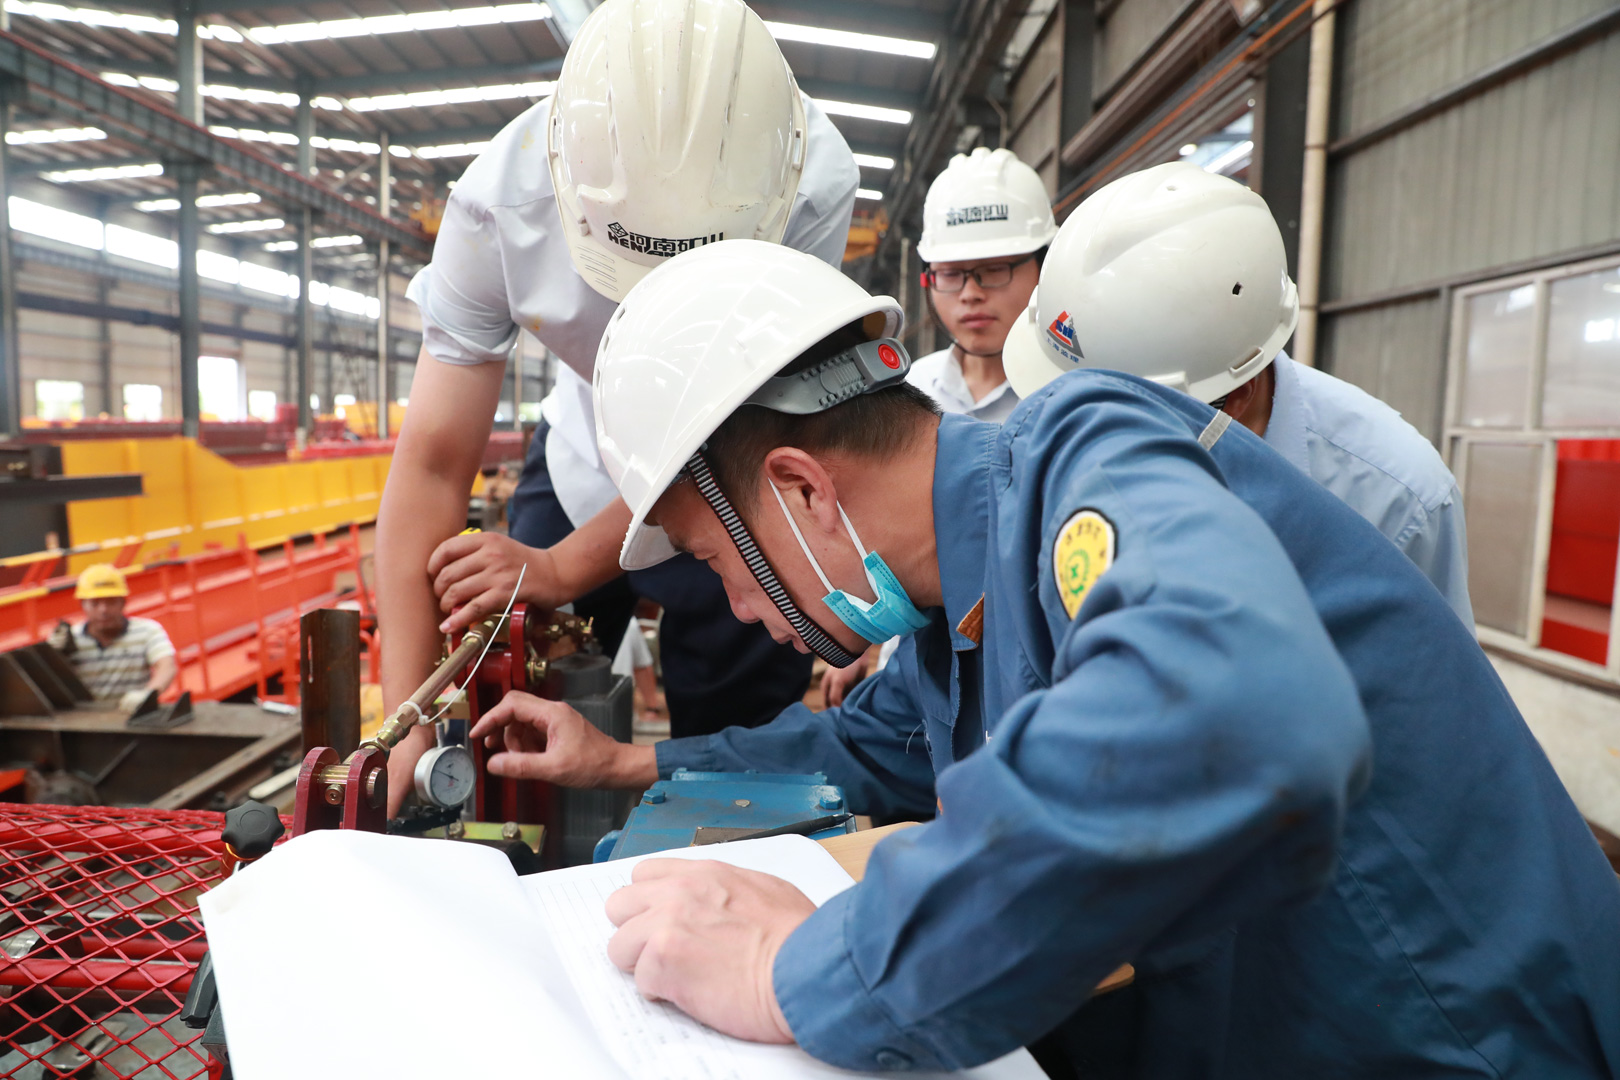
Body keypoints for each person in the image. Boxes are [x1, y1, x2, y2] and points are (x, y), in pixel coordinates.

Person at [464, 240, 1620, 1078]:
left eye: (722, 563)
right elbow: (863, 747)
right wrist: (626, 764)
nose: (742, 614)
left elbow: (1230, 712)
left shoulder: (1084, 450)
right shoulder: (951, 600)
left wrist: (798, 970)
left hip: (1452, 1037)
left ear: (805, 491)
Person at [376, 0, 859, 813]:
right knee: (506, 688)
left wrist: (562, 568)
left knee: (741, 737)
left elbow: (727, 425)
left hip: (731, 468)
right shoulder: (501, 200)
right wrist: (407, 724)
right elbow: (430, 461)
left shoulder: (809, 178)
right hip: (582, 464)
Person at [1002, 160, 1474, 628]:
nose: (1085, 434)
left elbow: (1439, 691)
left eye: (1117, 414)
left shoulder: (1397, 500)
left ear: (1241, 392)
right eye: (1066, 402)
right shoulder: (1056, 451)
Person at [822, 147, 1055, 707]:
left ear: (1044, 267)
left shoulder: (1066, 398)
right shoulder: (907, 393)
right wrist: (872, 645)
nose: (971, 292)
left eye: (995, 269)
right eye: (951, 274)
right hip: (920, 669)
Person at [48, 563, 177, 710]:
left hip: (132, 715)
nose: (103, 610)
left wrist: (149, 693)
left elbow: (167, 666)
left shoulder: (147, 631)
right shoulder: (70, 639)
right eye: (95, 603)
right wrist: (51, 656)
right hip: (86, 720)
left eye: (110, 601)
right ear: (82, 605)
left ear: (123, 602)